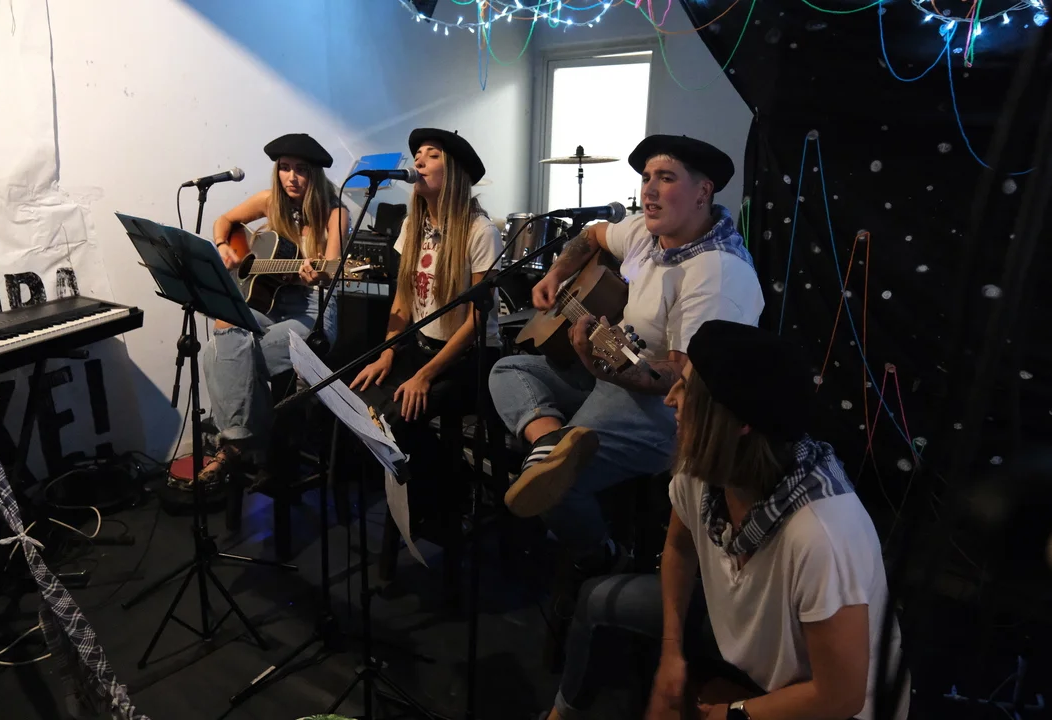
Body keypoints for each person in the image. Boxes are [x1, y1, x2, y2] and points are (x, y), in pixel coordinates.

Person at [538, 320, 908, 720]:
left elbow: (841, 697)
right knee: (598, 600)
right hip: (750, 649)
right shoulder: (702, 471)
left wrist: (730, 713)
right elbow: (679, 547)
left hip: (830, 707)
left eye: (686, 389)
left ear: (739, 423)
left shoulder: (822, 535)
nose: (670, 399)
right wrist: (671, 651)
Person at [489, 135, 764, 574]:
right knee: (509, 369)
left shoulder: (718, 273)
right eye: (646, 178)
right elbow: (591, 234)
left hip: (670, 415)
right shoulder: (646, 233)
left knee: (554, 491)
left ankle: (599, 554)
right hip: (612, 378)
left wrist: (601, 367)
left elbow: (680, 379)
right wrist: (557, 274)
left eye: (666, 178)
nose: (648, 190)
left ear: (703, 192)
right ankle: (551, 444)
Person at [190, 133, 349, 487]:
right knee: (225, 327)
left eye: (301, 169)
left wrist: (319, 273)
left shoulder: (335, 213)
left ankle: (233, 446)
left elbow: (333, 265)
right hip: (271, 303)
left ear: (315, 174)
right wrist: (223, 246)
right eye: (285, 168)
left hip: (313, 309)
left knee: (220, 354)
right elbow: (224, 220)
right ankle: (251, 443)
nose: (292, 177)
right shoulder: (269, 201)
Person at [350, 128, 502, 482]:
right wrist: (387, 351)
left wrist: (424, 376)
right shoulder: (412, 225)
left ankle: (443, 487)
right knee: (358, 400)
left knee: (396, 417)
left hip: (468, 358)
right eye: (418, 155)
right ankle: (429, 482)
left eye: (432, 155)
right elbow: (403, 298)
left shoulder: (480, 231)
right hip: (421, 348)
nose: (419, 162)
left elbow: (476, 322)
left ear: (455, 174)